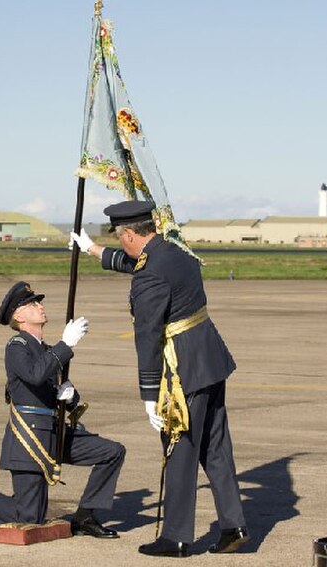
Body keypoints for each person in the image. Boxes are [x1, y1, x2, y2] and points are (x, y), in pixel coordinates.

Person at [70, 200, 249, 557]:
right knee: (216, 448)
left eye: (122, 238)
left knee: (179, 451)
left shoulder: (150, 273)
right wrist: (92, 249)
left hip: (182, 370)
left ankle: (177, 537)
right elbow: (137, 262)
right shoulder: (174, 249)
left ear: (131, 234)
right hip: (210, 358)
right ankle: (233, 525)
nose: (122, 244)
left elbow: (148, 335)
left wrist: (149, 392)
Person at [0, 281, 125, 538]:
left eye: (39, 302)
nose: (41, 306)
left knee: (111, 452)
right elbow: (35, 375)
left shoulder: (47, 351)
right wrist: (66, 344)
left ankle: (86, 515)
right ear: (18, 316)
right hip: (30, 437)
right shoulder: (17, 346)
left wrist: (69, 396)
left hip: (55, 433)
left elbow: (54, 387)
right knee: (29, 518)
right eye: (33, 304)